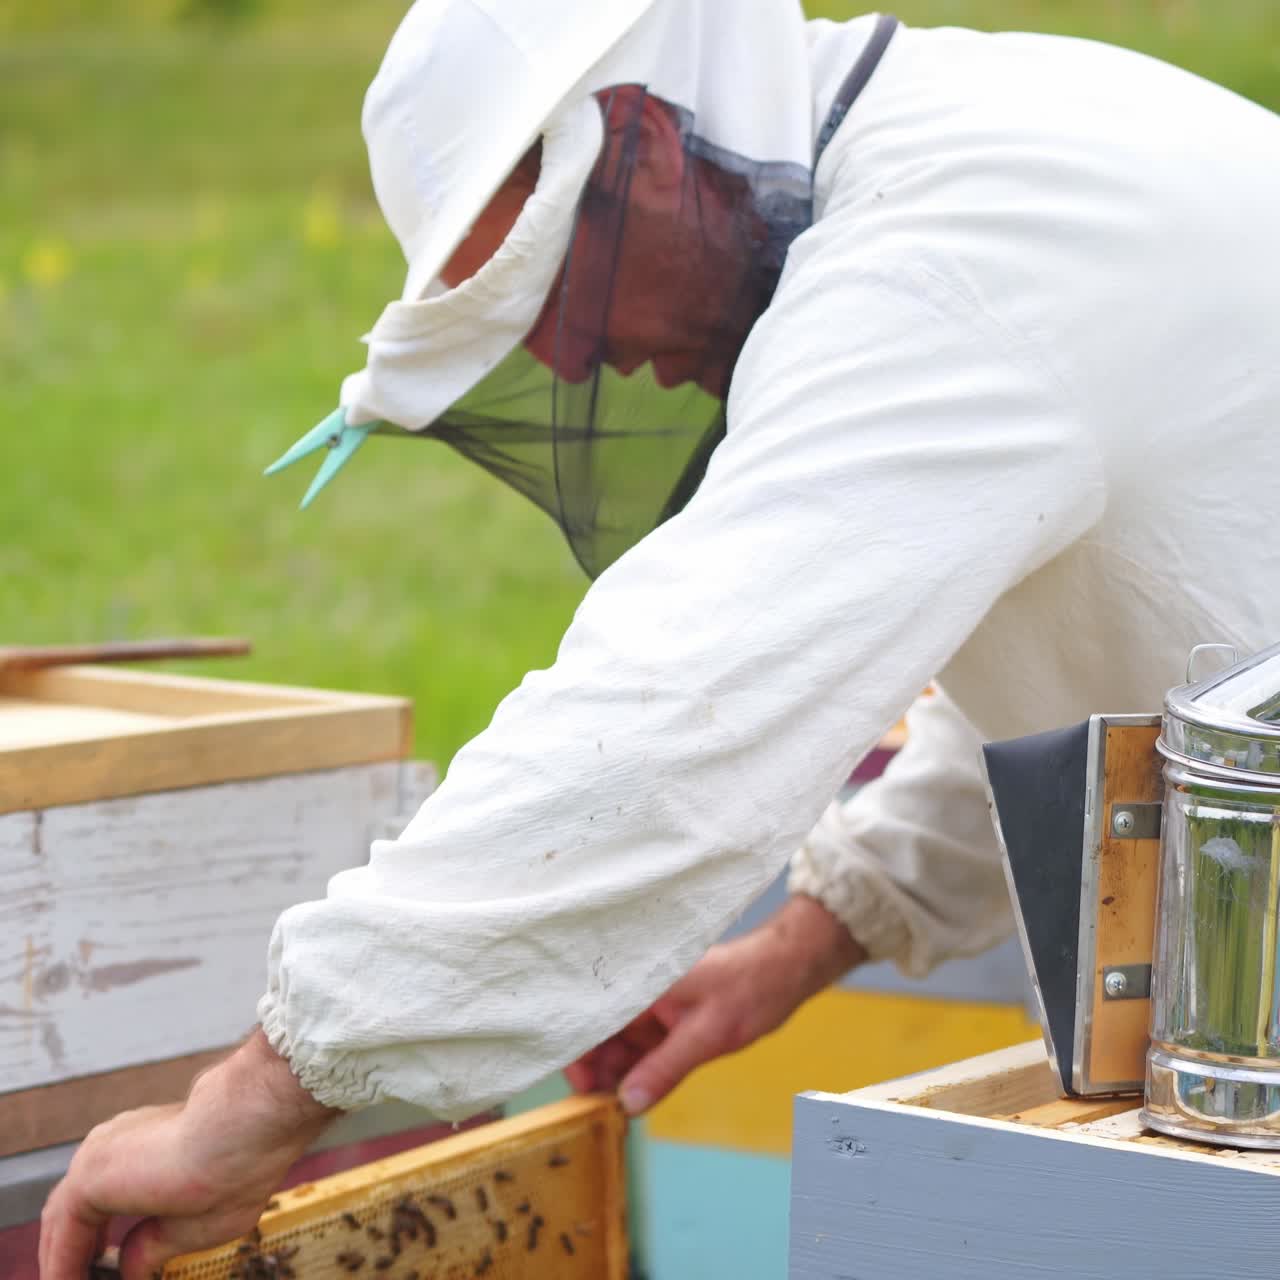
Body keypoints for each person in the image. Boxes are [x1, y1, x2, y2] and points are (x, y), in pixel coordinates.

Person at [40, 1, 1280, 1276]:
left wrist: (250, 1100)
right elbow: (1067, 666)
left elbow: (665, 724)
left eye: (558, 287)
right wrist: (809, 939)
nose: (582, 351)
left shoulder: (944, 270)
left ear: (640, 137)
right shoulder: (991, 148)